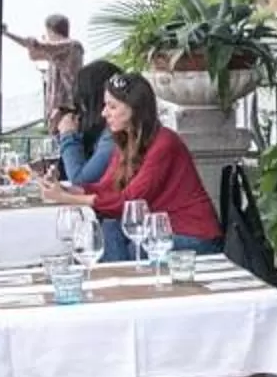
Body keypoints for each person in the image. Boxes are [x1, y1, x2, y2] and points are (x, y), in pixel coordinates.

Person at [43, 70, 218, 259]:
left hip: (193, 235)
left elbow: (129, 202)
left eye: (112, 107)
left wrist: (68, 198)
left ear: (135, 109)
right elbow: (107, 187)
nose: (104, 113)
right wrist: (66, 189)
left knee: (126, 245)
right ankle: (113, 276)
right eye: (105, 105)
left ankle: (116, 276)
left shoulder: (165, 143)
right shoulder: (127, 140)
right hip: (157, 230)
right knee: (110, 228)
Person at [4, 16, 86, 130]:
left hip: (67, 107)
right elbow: (34, 54)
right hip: (59, 107)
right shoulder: (58, 52)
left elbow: (36, 45)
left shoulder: (72, 46)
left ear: (51, 31)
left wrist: (8, 34)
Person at [51, 57, 120, 185]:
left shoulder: (114, 134)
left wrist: (68, 135)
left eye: (82, 103)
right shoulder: (100, 133)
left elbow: (80, 180)